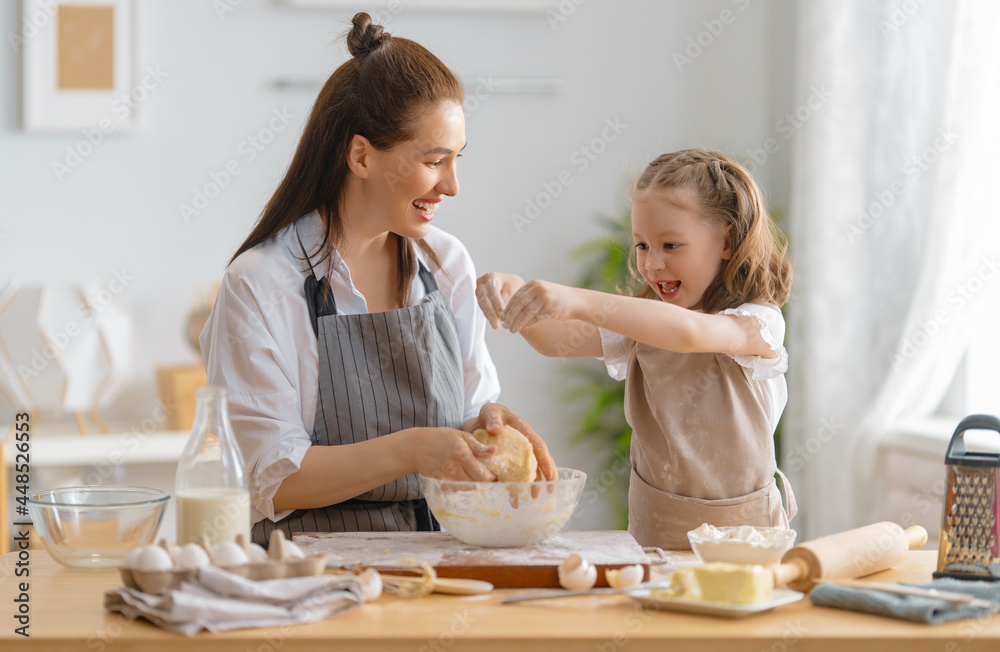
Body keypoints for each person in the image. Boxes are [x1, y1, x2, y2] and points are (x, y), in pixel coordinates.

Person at [200, 13, 555, 547]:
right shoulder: (261, 283)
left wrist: (487, 428)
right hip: (305, 571)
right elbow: (275, 478)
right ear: (362, 155)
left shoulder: (445, 263)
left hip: (441, 558)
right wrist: (410, 450)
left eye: (457, 160)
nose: (453, 185)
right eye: (435, 162)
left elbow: (462, 420)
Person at [476, 149, 796, 549]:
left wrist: (577, 300)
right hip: (655, 531)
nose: (652, 264)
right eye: (642, 245)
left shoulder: (757, 323)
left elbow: (692, 334)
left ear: (728, 240)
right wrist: (513, 290)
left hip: (745, 538)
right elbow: (556, 339)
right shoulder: (646, 322)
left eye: (671, 245)